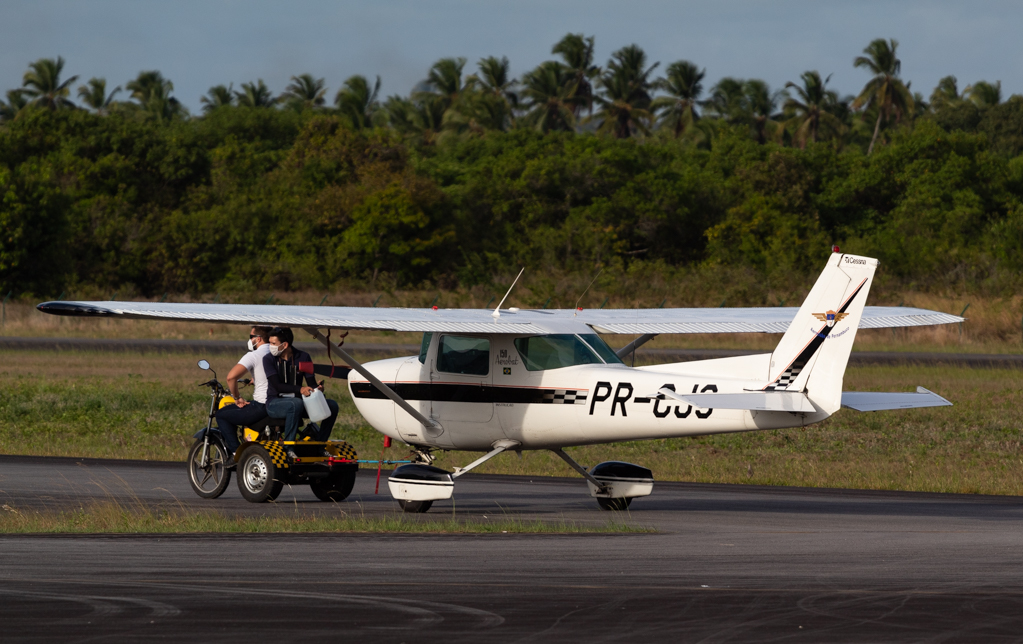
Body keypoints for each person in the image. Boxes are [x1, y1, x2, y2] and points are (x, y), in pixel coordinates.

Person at [264, 326, 340, 442]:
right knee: (296, 404)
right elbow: (277, 386)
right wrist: (300, 389)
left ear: (285, 345)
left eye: (273, 343)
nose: (270, 347)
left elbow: (311, 383)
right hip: (274, 403)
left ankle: (320, 442)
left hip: (299, 403)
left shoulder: (303, 357)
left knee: (332, 405)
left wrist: (317, 389)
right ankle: (289, 446)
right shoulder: (268, 359)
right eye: (270, 343)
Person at [214, 326, 273, 463]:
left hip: (262, 406)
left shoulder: (254, 355)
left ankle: (236, 454)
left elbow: (231, 378)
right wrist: (256, 379)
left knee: (222, 415)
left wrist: (237, 397)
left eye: (251, 336)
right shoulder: (277, 353)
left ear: (258, 339)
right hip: (277, 403)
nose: (250, 340)